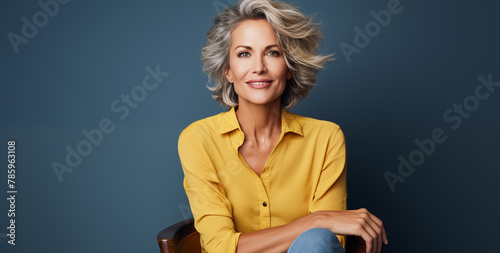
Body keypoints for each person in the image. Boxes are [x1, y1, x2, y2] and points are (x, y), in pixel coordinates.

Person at [178, 0, 388, 252]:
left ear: (289, 67)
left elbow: (327, 242)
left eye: (272, 52)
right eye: (244, 53)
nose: (258, 68)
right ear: (228, 72)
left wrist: (318, 228)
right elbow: (220, 247)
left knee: (316, 239)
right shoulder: (198, 140)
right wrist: (316, 220)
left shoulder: (325, 137)